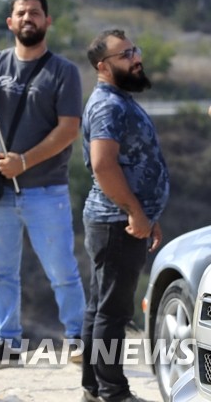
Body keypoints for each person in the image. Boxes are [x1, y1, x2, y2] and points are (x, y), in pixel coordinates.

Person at [0, 0, 86, 367]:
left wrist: (25, 162)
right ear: (10, 23)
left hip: (46, 190)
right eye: (21, 12)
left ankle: (80, 338)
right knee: (1, 273)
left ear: (48, 21)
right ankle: (7, 343)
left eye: (35, 12)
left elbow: (69, 129)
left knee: (62, 271)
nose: (28, 17)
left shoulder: (64, 71)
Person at [80, 30, 168, 402]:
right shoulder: (108, 105)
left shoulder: (118, 100)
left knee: (101, 308)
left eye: (134, 50)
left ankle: (93, 388)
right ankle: (112, 392)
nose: (136, 58)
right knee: (112, 313)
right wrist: (135, 211)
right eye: (125, 54)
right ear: (103, 66)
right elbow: (102, 165)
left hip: (121, 219)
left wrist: (149, 212)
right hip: (118, 222)